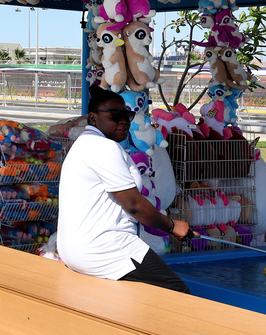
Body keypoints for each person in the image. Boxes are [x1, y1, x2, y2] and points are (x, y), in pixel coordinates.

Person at [57, 86, 191, 293]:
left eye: (127, 115)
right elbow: (134, 205)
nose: (124, 121)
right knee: (179, 293)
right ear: (93, 118)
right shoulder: (103, 147)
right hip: (106, 249)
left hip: (77, 250)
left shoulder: (84, 144)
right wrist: (172, 226)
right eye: (115, 116)